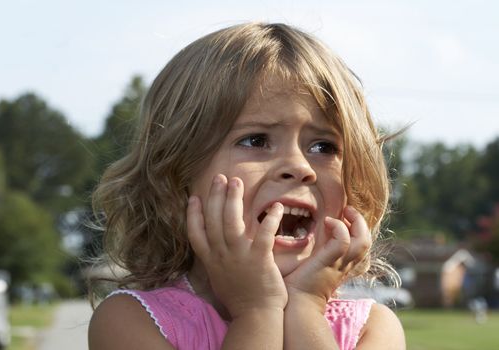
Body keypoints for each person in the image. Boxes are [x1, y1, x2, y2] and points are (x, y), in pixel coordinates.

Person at [88, 22, 406, 349]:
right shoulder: (129, 320)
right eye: (256, 140)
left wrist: (306, 305)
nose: (299, 167)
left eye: (323, 147)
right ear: (176, 175)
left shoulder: (373, 329)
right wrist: (256, 311)